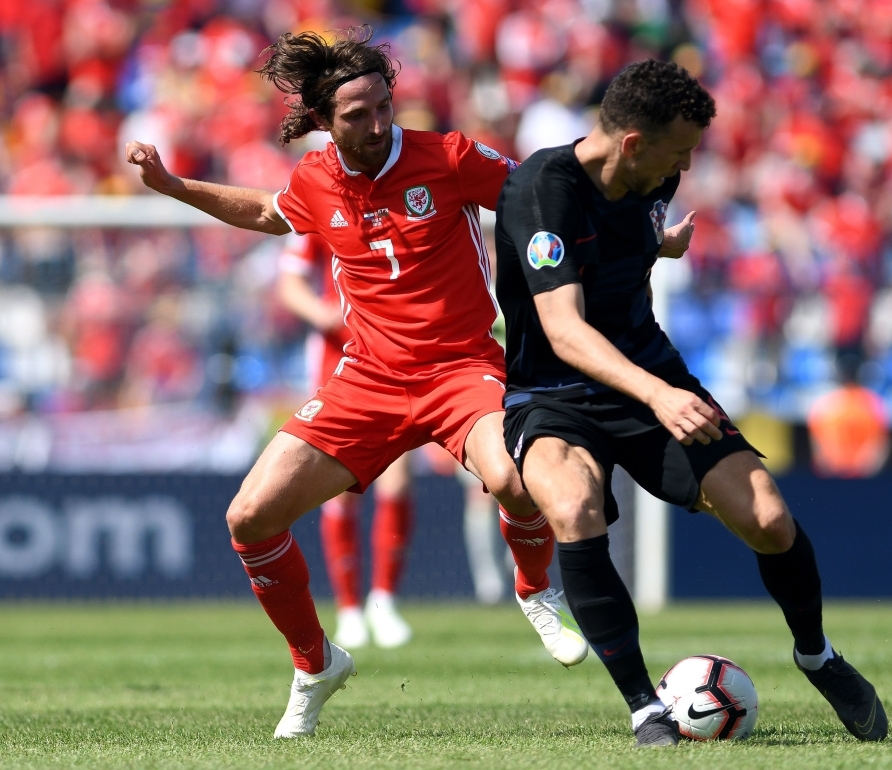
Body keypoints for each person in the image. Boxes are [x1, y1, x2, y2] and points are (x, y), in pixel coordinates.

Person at [124, 27, 588, 740]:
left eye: (383, 107)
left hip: (460, 367)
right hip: (367, 379)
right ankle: (316, 664)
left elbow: (542, 192)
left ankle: (534, 588)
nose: (376, 125)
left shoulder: (449, 156)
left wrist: (640, 227)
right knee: (249, 518)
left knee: (517, 479)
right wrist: (172, 185)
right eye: (356, 115)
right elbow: (263, 213)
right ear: (320, 123)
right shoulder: (316, 181)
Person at [494, 59, 888, 748]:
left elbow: (618, 253)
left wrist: (657, 247)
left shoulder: (656, 177)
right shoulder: (539, 191)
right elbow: (564, 329)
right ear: (633, 143)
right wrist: (657, 395)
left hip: (649, 373)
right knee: (574, 507)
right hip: (554, 390)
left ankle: (817, 655)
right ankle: (646, 707)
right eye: (681, 150)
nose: (688, 164)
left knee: (768, 517)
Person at [277, 232, 414, 649]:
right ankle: (349, 607)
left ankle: (384, 602)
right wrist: (322, 313)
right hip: (339, 357)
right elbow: (290, 281)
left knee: (398, 478)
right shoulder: (321, 204)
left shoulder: (397, 197)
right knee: (341, 488)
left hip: (394, 350)